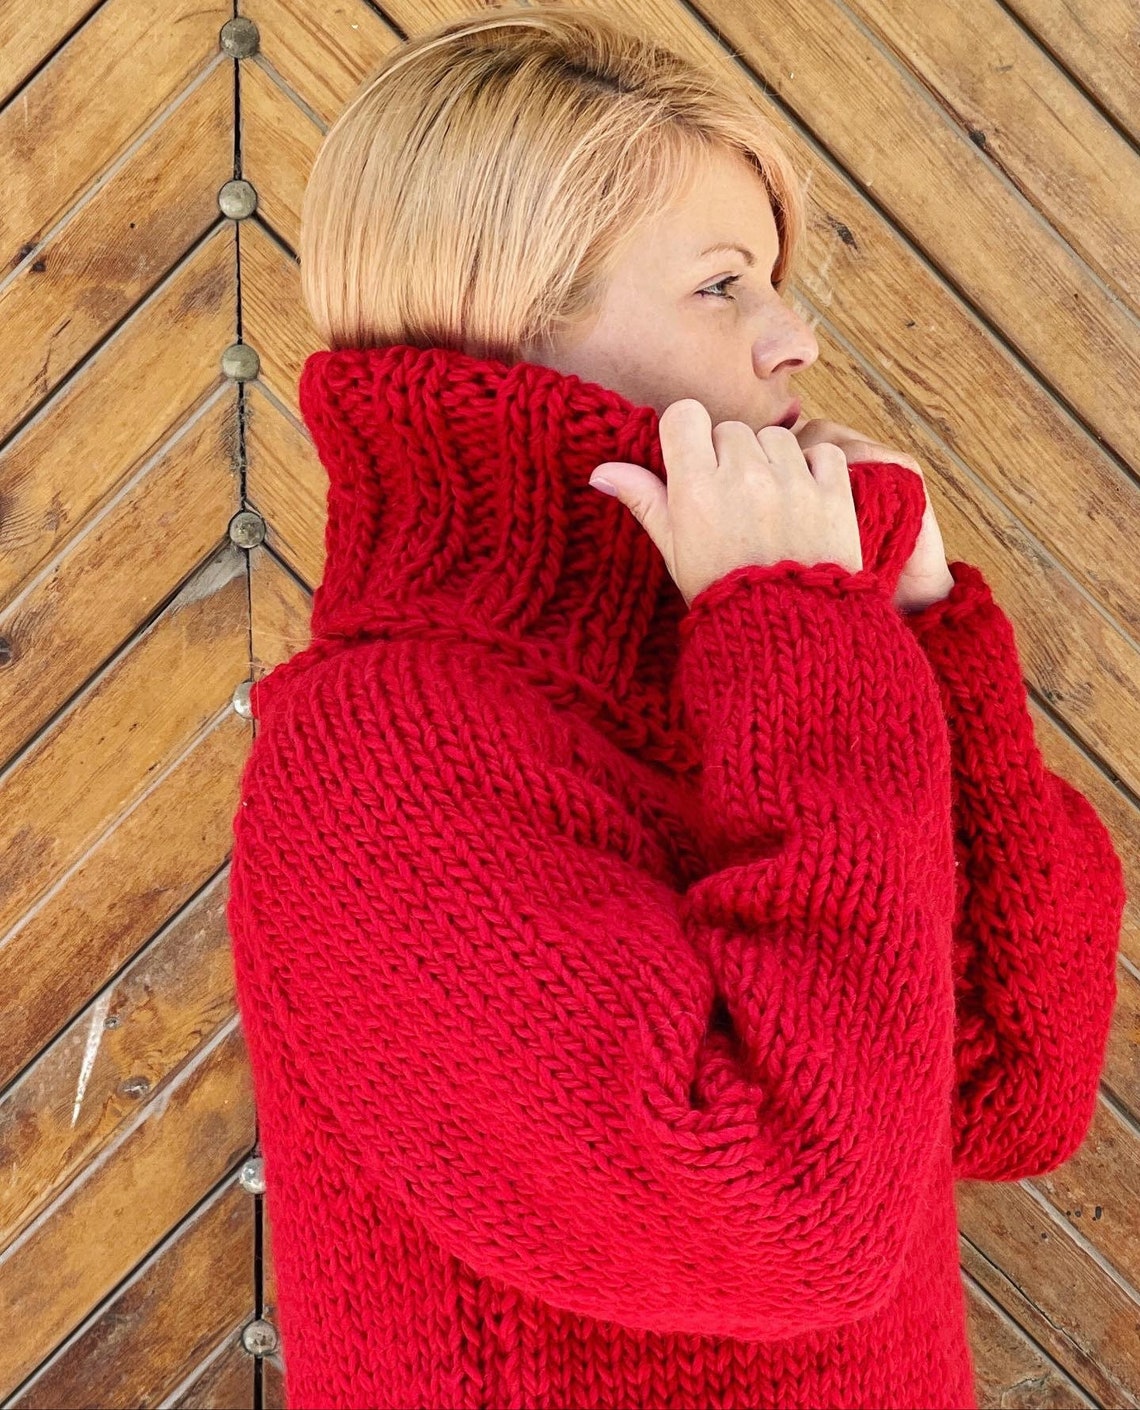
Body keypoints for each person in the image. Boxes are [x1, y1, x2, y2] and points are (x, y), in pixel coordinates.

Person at [225, 7, 1126, 1409]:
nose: (794, 337)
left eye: (773, 280)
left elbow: (1015, 1088)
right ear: (506, 309)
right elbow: (795, 1222)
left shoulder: (758, 656)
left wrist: (922, 631)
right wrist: (801, 629)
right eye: (722, 286)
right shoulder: (382, 750)